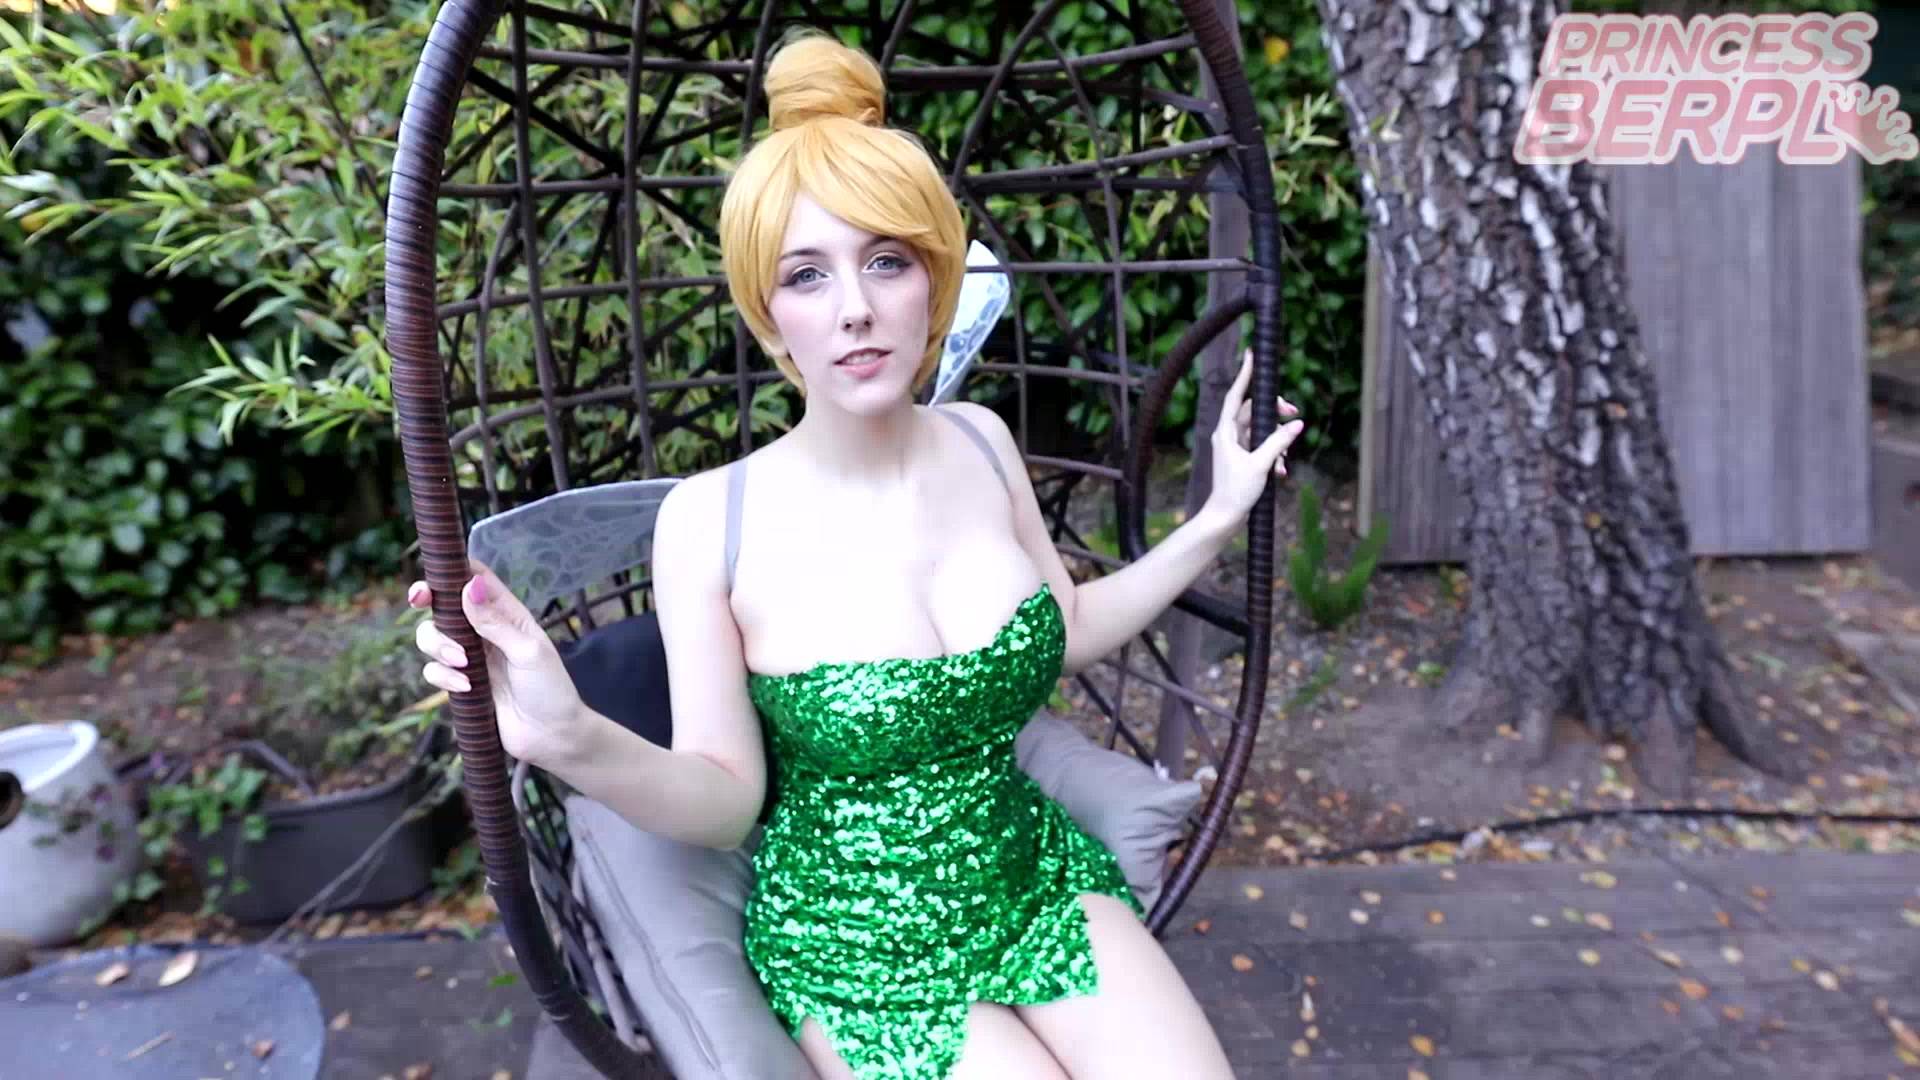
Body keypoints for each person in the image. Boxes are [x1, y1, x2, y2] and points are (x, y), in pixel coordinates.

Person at [408, 29, 1303, 1080]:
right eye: (806, 275)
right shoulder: (712, 522)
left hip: (1030, 881)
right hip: (859, 952)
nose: (855, 310)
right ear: (768, 313)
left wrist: (1216, 517)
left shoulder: (982, 441)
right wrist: (573, 741)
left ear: (933, 277)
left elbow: (1065, 630)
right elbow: (726, 800)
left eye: (886, 260)